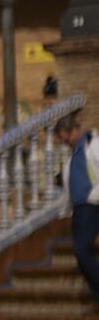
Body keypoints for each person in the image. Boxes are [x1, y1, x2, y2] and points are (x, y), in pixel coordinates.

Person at [54, 110, 99, 304]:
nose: (64, 141)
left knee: (81, 250)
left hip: (92, 205)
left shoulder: (93, 145)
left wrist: (92, 195)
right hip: (79, 210)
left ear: (74, 131)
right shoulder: (73, 157)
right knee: (80, 252)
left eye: (65, 136)